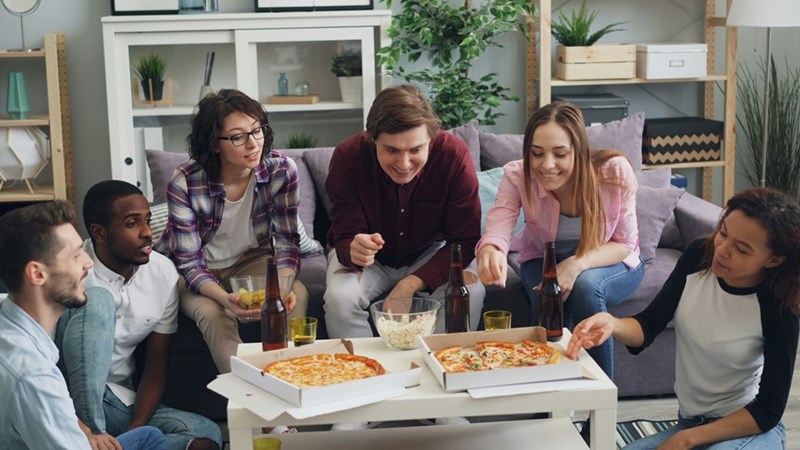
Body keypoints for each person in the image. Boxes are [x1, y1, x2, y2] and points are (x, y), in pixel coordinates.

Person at [568, 187, 800, 449]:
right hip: (691, 422)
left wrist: (686, 440)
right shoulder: (699, 255)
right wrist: (612, 323)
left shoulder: (780, 307)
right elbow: (649, 324)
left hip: (746, 426)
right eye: (723, 233)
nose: (723, 250)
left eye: (742, 250)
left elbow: (769, 409)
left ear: (774, 260)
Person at [476, 101, 643, 377]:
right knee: (548, 301)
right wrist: (491, 249)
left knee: (586, 286)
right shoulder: (518, 175)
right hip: (542, 259)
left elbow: (624, 244)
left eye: (560, 154)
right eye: (537, 154)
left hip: (614, 261)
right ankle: (547, 406)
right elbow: (499, 224)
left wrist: (575, 265)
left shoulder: (613, 171)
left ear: (578, 150)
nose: (547, 165)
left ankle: (597, 403)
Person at [55, 181, 223, 450]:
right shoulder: (71, 271)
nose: (147, 233)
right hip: (68, 403)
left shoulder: (162, 272)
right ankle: (92, 438)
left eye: (147, 220)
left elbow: (156, 368)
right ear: (99, 233)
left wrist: (138, 430)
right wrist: (87, 428)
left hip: (119, 401)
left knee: (204, 434)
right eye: (133, 224)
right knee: (97, 301)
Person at [156, 89, 309, 374]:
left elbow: (287, 243)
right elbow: (189, 263)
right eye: (238, 137)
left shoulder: (282, 170)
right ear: (215, 144)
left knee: (295, 295)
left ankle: (291, 386)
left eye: (257, 131)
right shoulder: (185, 183)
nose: (253, 144)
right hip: (196, 271)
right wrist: (226, 299)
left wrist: (283, 289)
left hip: (249, 261)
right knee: (216, 315)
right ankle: (251, 405)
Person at [0, 200, 169, 450]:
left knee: (149, 437)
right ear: (37, 274)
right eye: (76, 254)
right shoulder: (33, 378)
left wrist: (82, 428)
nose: (88, 263)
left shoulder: (9, 312)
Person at [324, 84, 486, 338]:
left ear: (430, 140)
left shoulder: (453, 156)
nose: (404, 164)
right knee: (340, 298)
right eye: (391, 150)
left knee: (471, 292)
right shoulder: (347, 157)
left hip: (430, 252)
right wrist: (354, 248)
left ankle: (439, 365)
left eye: (416, 150)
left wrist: (411, 283)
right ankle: (364, 373)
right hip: (370, 262)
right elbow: (344, 237)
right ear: (372, 138)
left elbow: (464, 241)